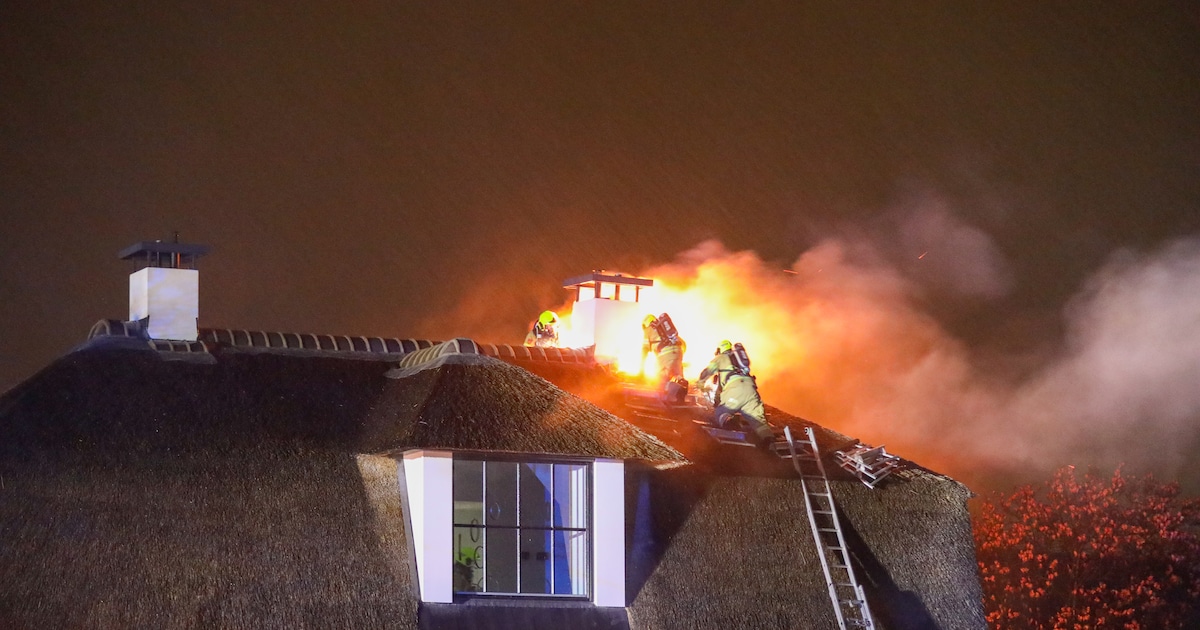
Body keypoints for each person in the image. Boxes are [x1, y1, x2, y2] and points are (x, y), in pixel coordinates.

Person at [698, 340, 774, 447]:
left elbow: (708, 371)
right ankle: (767, 438)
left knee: (722, 412)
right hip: (751, 390)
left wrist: (700, 383)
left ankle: (730, 421)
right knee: (758, 419)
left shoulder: (721, 358)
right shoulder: (740, 363)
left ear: (720, 350)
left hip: (734, 389)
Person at [641, 313, 687, 402]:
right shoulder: (667, 331)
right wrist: (677, 358)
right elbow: (683, 343)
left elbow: (644, 350)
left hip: (665, 355)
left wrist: (641, 368)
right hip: (678, 352)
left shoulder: (649, 330)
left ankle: (663, 403)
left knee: (661, 377)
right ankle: (680, 398)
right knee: (677, 376)